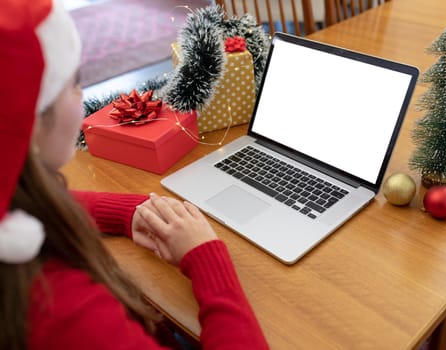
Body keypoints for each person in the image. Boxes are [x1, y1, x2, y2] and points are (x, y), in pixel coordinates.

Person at [0, 1, 269, 349]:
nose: (81, 95)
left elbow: (45, 204)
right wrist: (206, 257)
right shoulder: (66, 316)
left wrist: (132, 211)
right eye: (73, 83)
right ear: (28, 123)